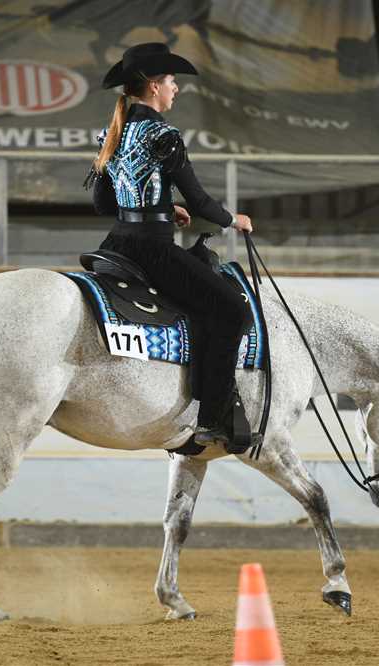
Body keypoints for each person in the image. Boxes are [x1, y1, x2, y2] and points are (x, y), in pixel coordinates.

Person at [86, 42, 254, 451]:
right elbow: (200, 201)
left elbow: (104, 204)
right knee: (233, 311)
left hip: (117, 244)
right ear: (153, 85)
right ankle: (213, 418)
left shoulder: (113, 133)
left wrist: (162, 207)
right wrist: (233, 220)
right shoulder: (164, 135)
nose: (176, 88)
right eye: (172, 81)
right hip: (152, 251)